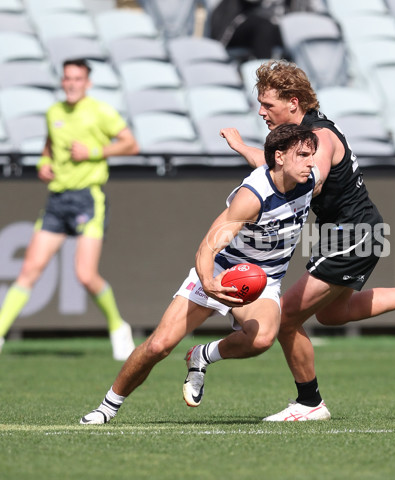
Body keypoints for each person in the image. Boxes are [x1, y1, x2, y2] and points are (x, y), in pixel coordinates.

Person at [220, 60, 395, 421]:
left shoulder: (317, 137)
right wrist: (244, 148)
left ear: (293, 102)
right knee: (332, 313)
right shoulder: (303, 136)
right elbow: (281, 170)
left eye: (267, 104)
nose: (261, 111)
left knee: (286, 316)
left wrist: (300, 179)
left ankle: (310, 402)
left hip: (353, 235)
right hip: (347, 233)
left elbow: (312, 176)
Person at [79, 123, 319, 424]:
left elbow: (264, 159)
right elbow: (207, 248)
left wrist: (242, 146)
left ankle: (202, 356)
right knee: (158, 345)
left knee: (262, 339)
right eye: (304, 155)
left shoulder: (309, 177)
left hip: (263, 279)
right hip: (220, 271)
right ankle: (107, 407)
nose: (312, 162)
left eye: (313, 155)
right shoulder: (252, 197)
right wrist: (209, 283)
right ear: (281, 158)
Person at [0, 58, 139, 360]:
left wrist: (92, 151)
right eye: (67, 78)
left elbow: (130, 144)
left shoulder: (100, 111)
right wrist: (44, 163)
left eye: (77, 78)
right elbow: (49, 145)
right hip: (56, 200)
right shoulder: (54, 112)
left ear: (87, 83)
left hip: (87, 199)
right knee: (29, 270)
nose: (71, 83)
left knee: (85, 275)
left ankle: (118, 327)